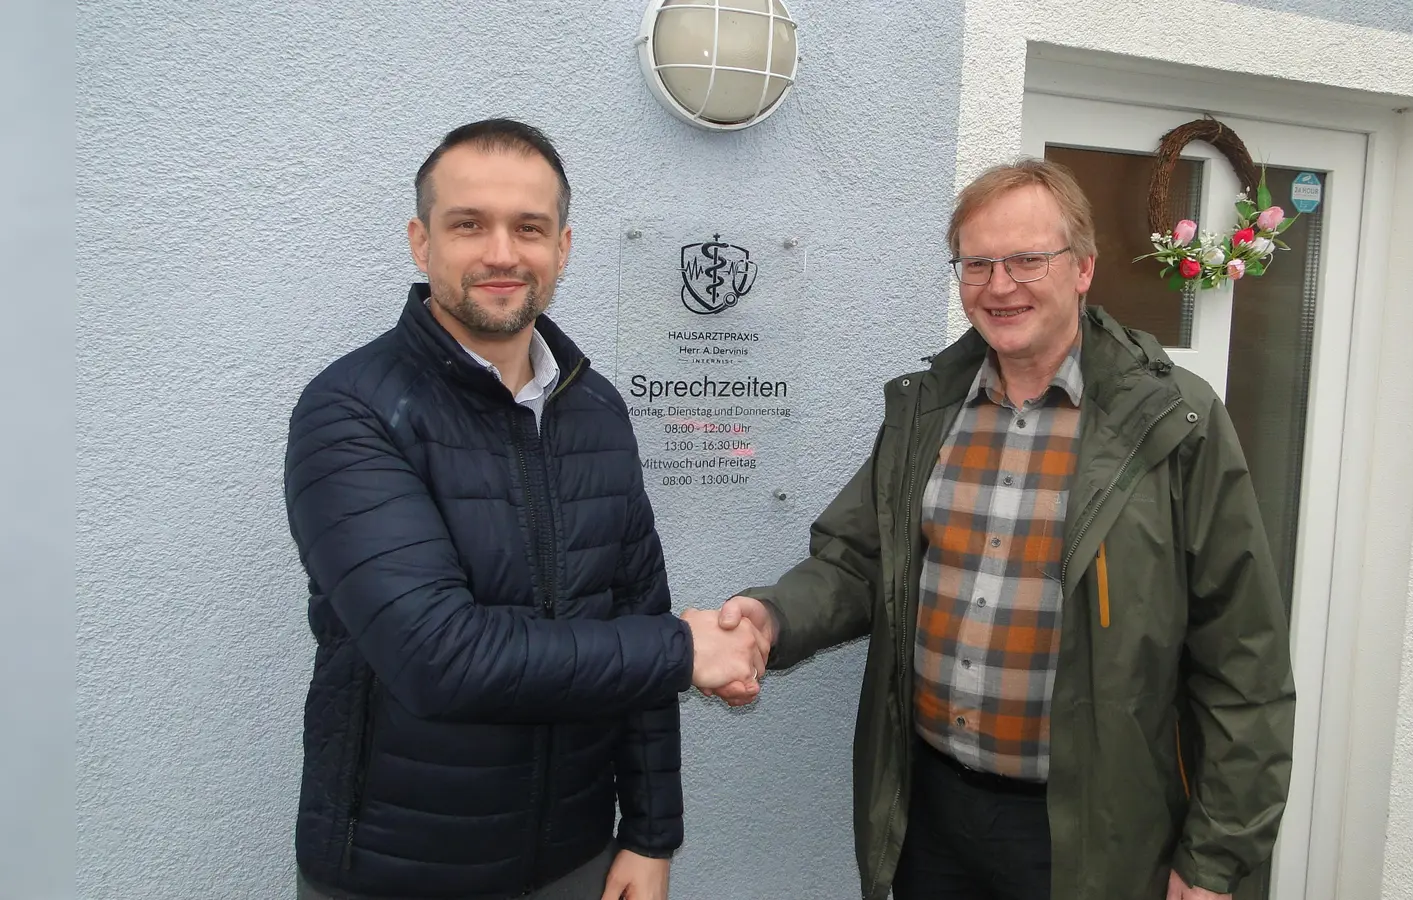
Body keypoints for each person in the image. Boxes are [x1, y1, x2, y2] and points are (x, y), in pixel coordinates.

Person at [713, 159, 1295, 900]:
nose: (999, 285)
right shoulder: (926, 410)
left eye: (1027, 259)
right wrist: (768, 618)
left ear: (1083, 269)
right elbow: (858, 561)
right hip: (933, 814)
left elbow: (1243, 659)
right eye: (977, 264)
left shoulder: (1173, 422)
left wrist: (1214, 861)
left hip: (1091, 831)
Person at [284, 118, 767, 900]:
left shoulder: (597, 410)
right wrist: (684, 650)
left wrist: (650, 835)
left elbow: (636, 611)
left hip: (575, 862)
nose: (502, 253)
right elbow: (439, 658)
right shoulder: (352, 411)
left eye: (529, 228)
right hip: (398, 872)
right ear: (421, 241)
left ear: (563, 249)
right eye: (469, 224)